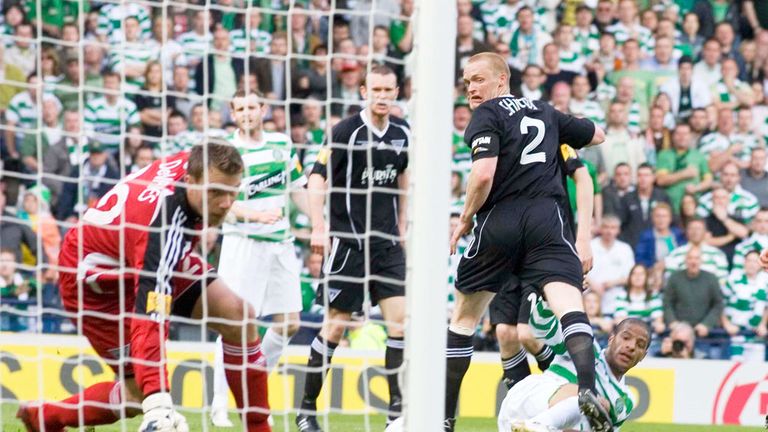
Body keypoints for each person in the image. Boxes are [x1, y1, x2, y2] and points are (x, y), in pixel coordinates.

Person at [15, 143, 272, 432]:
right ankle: (47, 417)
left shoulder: (200, 164)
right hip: (95, 283)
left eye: (232, 191)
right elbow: (151, 316)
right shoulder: (162, 227)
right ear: (190, 181)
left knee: (239, 316)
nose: (226, 203)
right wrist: (158, 402)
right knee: (137, 395)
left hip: (133, 251)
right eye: (215, 192)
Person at [446, 52, 609, 432]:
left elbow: (482, 174)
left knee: (464, 319)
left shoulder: (487, 114)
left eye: (478, 80)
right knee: (570, 308)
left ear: (502, 80)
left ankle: (443, 418)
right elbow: (598, 135)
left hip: (501, 220)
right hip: (547, 222)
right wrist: (563, 131)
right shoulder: (545, 111)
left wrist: (465, 218)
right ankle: (587, 390)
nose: (471, 89)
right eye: (467, 82)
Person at [296, 65, 410, 432]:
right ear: (363, 92)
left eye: (388, 90)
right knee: (335, 328)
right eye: (376, 89)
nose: (382, 96)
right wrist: (318, 226)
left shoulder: (402, 133)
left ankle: (396, 415)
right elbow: (317, 178)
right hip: (349, 245)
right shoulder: (344, 132)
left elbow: (404, 176)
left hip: (387, 246)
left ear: (396, 92)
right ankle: (306, 410)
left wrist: (403, 224)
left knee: (399, 324)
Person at [210, 89, 309, 427]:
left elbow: (297, 189)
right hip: (243, 243)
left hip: (280, 243)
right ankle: (219, 402)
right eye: (240, 109)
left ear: (264, 109)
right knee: (234, 323)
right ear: (232, 112)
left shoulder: (281, 143)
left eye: (252, 107)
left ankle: (252, 384)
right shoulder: (226, 150)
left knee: (290, 322)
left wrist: (320, 223)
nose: (247, 113)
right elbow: (219, 200)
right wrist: (255, 216)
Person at [491, 143, 595, 391]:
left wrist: (582, 240)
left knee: (527, 333)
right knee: (505, 333)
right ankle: (522, 403)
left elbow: (583, 176)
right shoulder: (497, 139)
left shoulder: (554, 136)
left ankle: (568, 386)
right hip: (507, 250)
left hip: (545, 250)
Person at [498, 317, 649, 432]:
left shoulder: (625, 400)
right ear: (611, 339)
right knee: (588, 398)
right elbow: (541, 325)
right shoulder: (584, 344)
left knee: (591, 416)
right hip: (527, 403)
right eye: (626, 338)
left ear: (643, 355)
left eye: (640, 345)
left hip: (525, 427)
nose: (631, 346)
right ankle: (538, 424)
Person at [663, 247, 724, 338]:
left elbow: (718, 304)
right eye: (690, 258)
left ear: (701, 261)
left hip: (704, 333)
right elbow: (667, 302)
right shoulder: (675, 278)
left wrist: (707, 324)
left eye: (696, 258)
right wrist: (672, 321)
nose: (693, 262)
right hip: (679, 331)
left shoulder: (711, 279)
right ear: (685, 260)